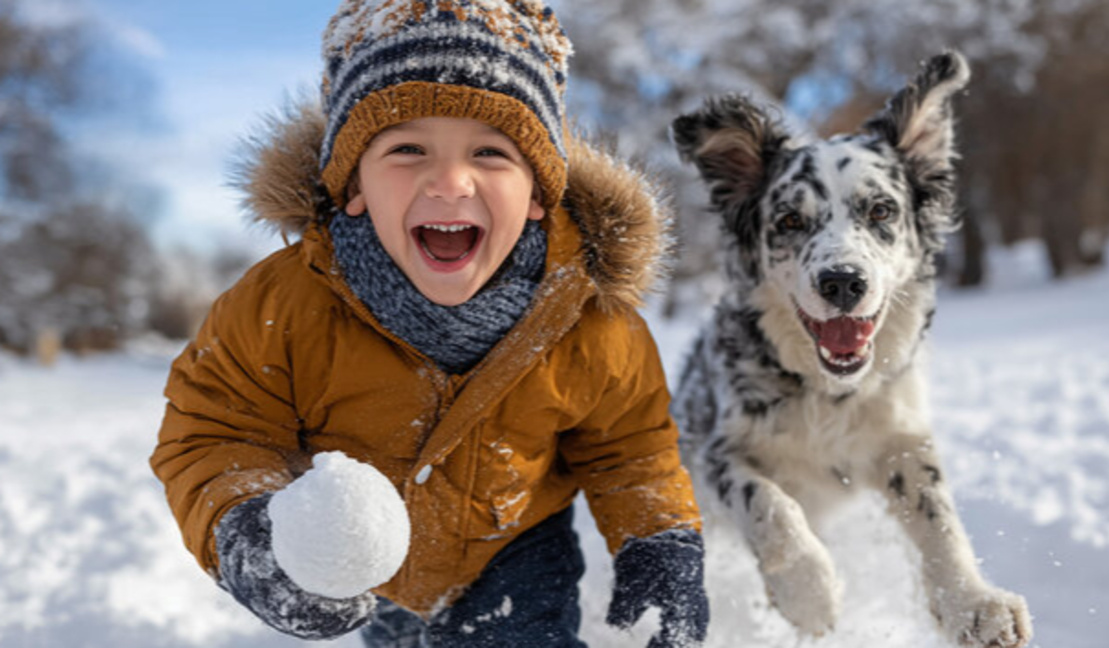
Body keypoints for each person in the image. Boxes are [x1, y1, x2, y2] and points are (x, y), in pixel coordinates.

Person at [150, 1, 709, 646]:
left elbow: (630, 450)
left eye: (491, 152)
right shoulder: (284, 304)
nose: (449, 181)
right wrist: (246, 530)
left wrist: (659, 542)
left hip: (517, 548)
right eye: (407, 147)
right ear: (353, 185)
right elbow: (217, 429)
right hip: (370, 558)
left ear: (536, 195)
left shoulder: (588, 317)